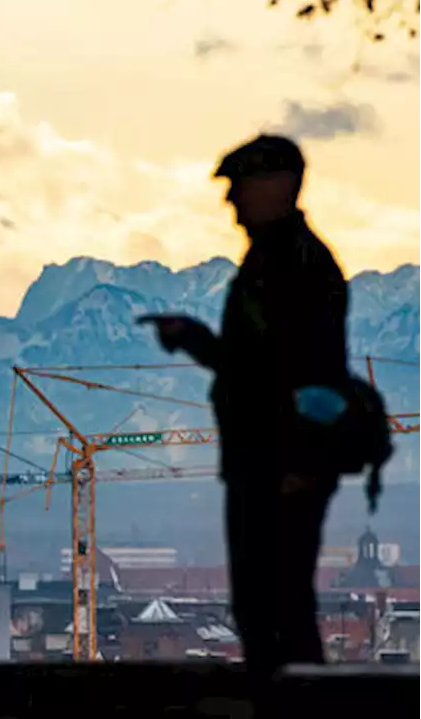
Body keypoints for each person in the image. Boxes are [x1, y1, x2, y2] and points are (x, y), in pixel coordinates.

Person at [138, 134, 350, 675]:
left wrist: (300, 463)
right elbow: (258, 369)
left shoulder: (296, 267)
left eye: (238, 188)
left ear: (276, 186)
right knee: (269, 605)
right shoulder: (273, 264)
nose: (229, 204)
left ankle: (296, 711)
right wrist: (196, 341)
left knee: (276, 605)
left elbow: (312, 376)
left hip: (278, 466)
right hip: (265, 463)